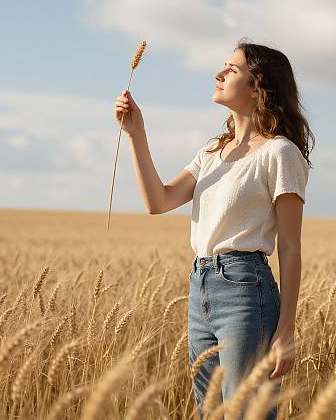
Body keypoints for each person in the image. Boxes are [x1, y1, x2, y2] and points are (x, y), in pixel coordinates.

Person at [114, 37, 315, 419]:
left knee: (245, 414)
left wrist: (286, 330)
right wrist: (136, 132)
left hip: (245, 289)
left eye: (232, 69)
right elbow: (158, 202)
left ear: (259, 88)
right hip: (200, 286)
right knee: (209, 413)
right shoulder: (210, 153)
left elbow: (290, 246)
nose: (218, 74)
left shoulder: (280, 153)